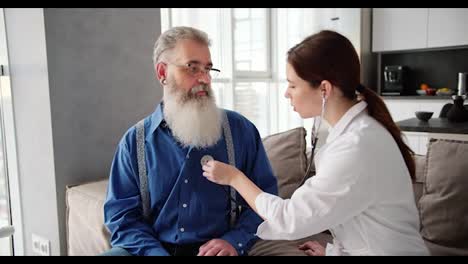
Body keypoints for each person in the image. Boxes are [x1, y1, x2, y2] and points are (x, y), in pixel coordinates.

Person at [202, 30, 430, 256]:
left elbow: (288, 219)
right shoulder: (357, 132)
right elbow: (359, 217)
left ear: (324, 89)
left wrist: (234, 178)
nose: (286, 93)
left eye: (292, 85)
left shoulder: (355, 147)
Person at [102, 26, 278, 256]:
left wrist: (235, 241)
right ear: (162, 72)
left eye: (207, 68)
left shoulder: (241, 131)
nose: (205, 78)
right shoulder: (134, 142)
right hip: (152, 250)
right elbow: (121, 217)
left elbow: (267, 200)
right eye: (192, 68)